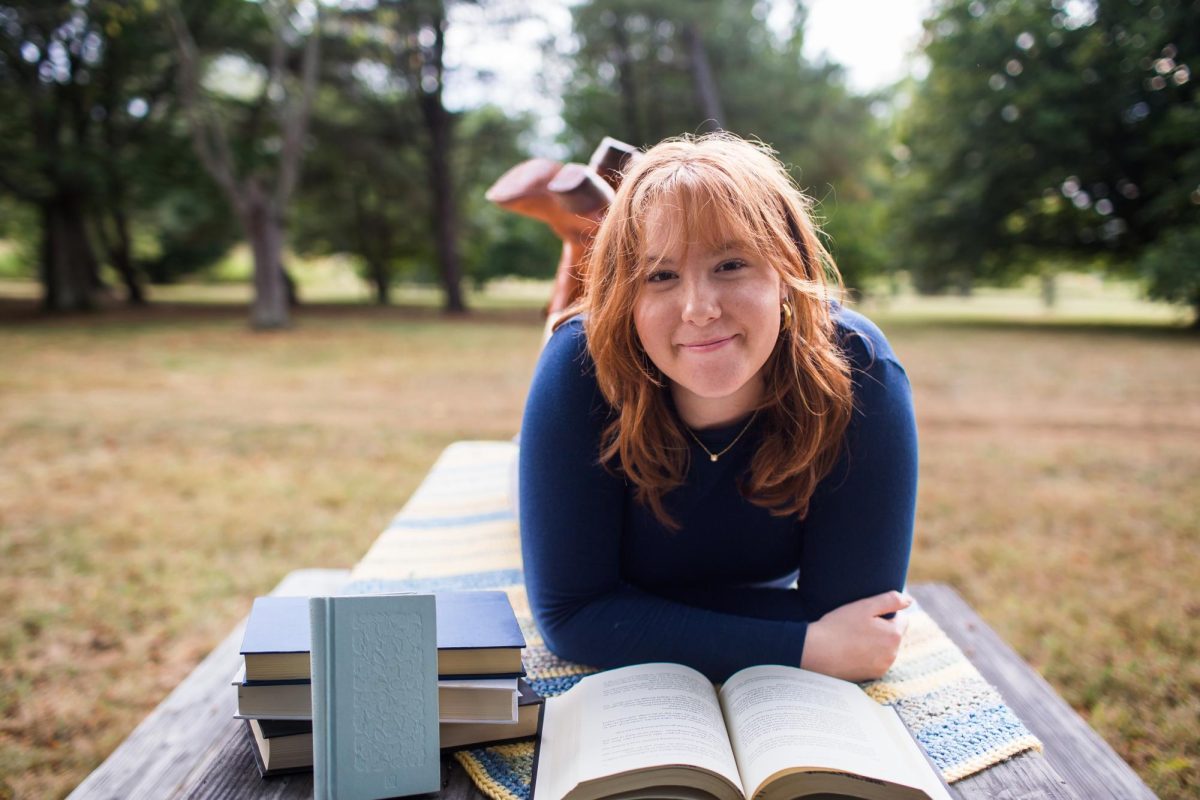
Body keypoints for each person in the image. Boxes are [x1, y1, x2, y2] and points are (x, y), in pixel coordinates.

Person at [518, 133, 918, 684]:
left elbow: (861, 624)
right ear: (626, 296)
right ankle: (581, 237)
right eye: (659, 276)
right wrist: (804, 645)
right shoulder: (578, 369)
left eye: (730, 264)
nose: (699, 308)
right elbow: (570, 617)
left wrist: (631, 613)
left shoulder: (858, 370)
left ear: (786, 269)